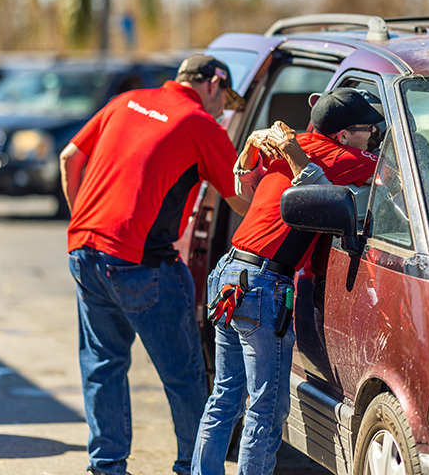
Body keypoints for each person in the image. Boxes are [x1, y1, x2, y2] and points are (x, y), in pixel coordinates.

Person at [59, 54, 248, 475]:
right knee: (183, 376)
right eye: (225, 99)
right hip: (142, 263)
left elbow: (70, 157)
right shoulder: (201, 123)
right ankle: (194, 467)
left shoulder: (124, 101)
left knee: (103, 366)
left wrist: (82, 220)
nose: (224, 111)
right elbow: (239, 200)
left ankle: (106, 467)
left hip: (85, 250)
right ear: (212, 85)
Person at [192, 87, 382, 475]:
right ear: (344, 135)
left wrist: (250, 149)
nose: (373, 135)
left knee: (225, 397)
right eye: (367, 128)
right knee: (266, 407)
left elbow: (243, 180)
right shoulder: (348, 158)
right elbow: (391, 184)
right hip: (263, 284)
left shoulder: (289, 145)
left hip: (229, 273)